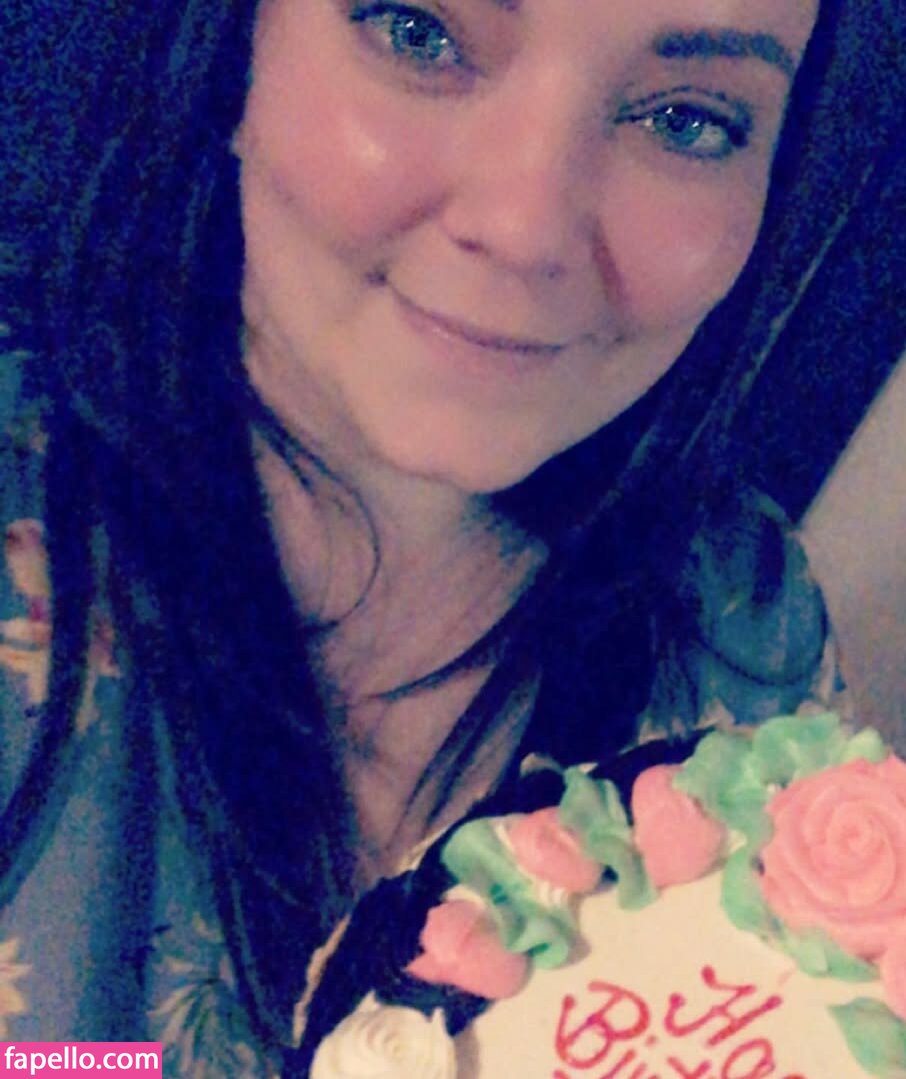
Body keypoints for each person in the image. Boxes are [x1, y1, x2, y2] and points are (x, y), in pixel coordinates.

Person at [0, 0, 844, 1073]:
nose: (526, 228)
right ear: (231, 42)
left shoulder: (747, 624)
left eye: (687, 120)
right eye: (417, 33)